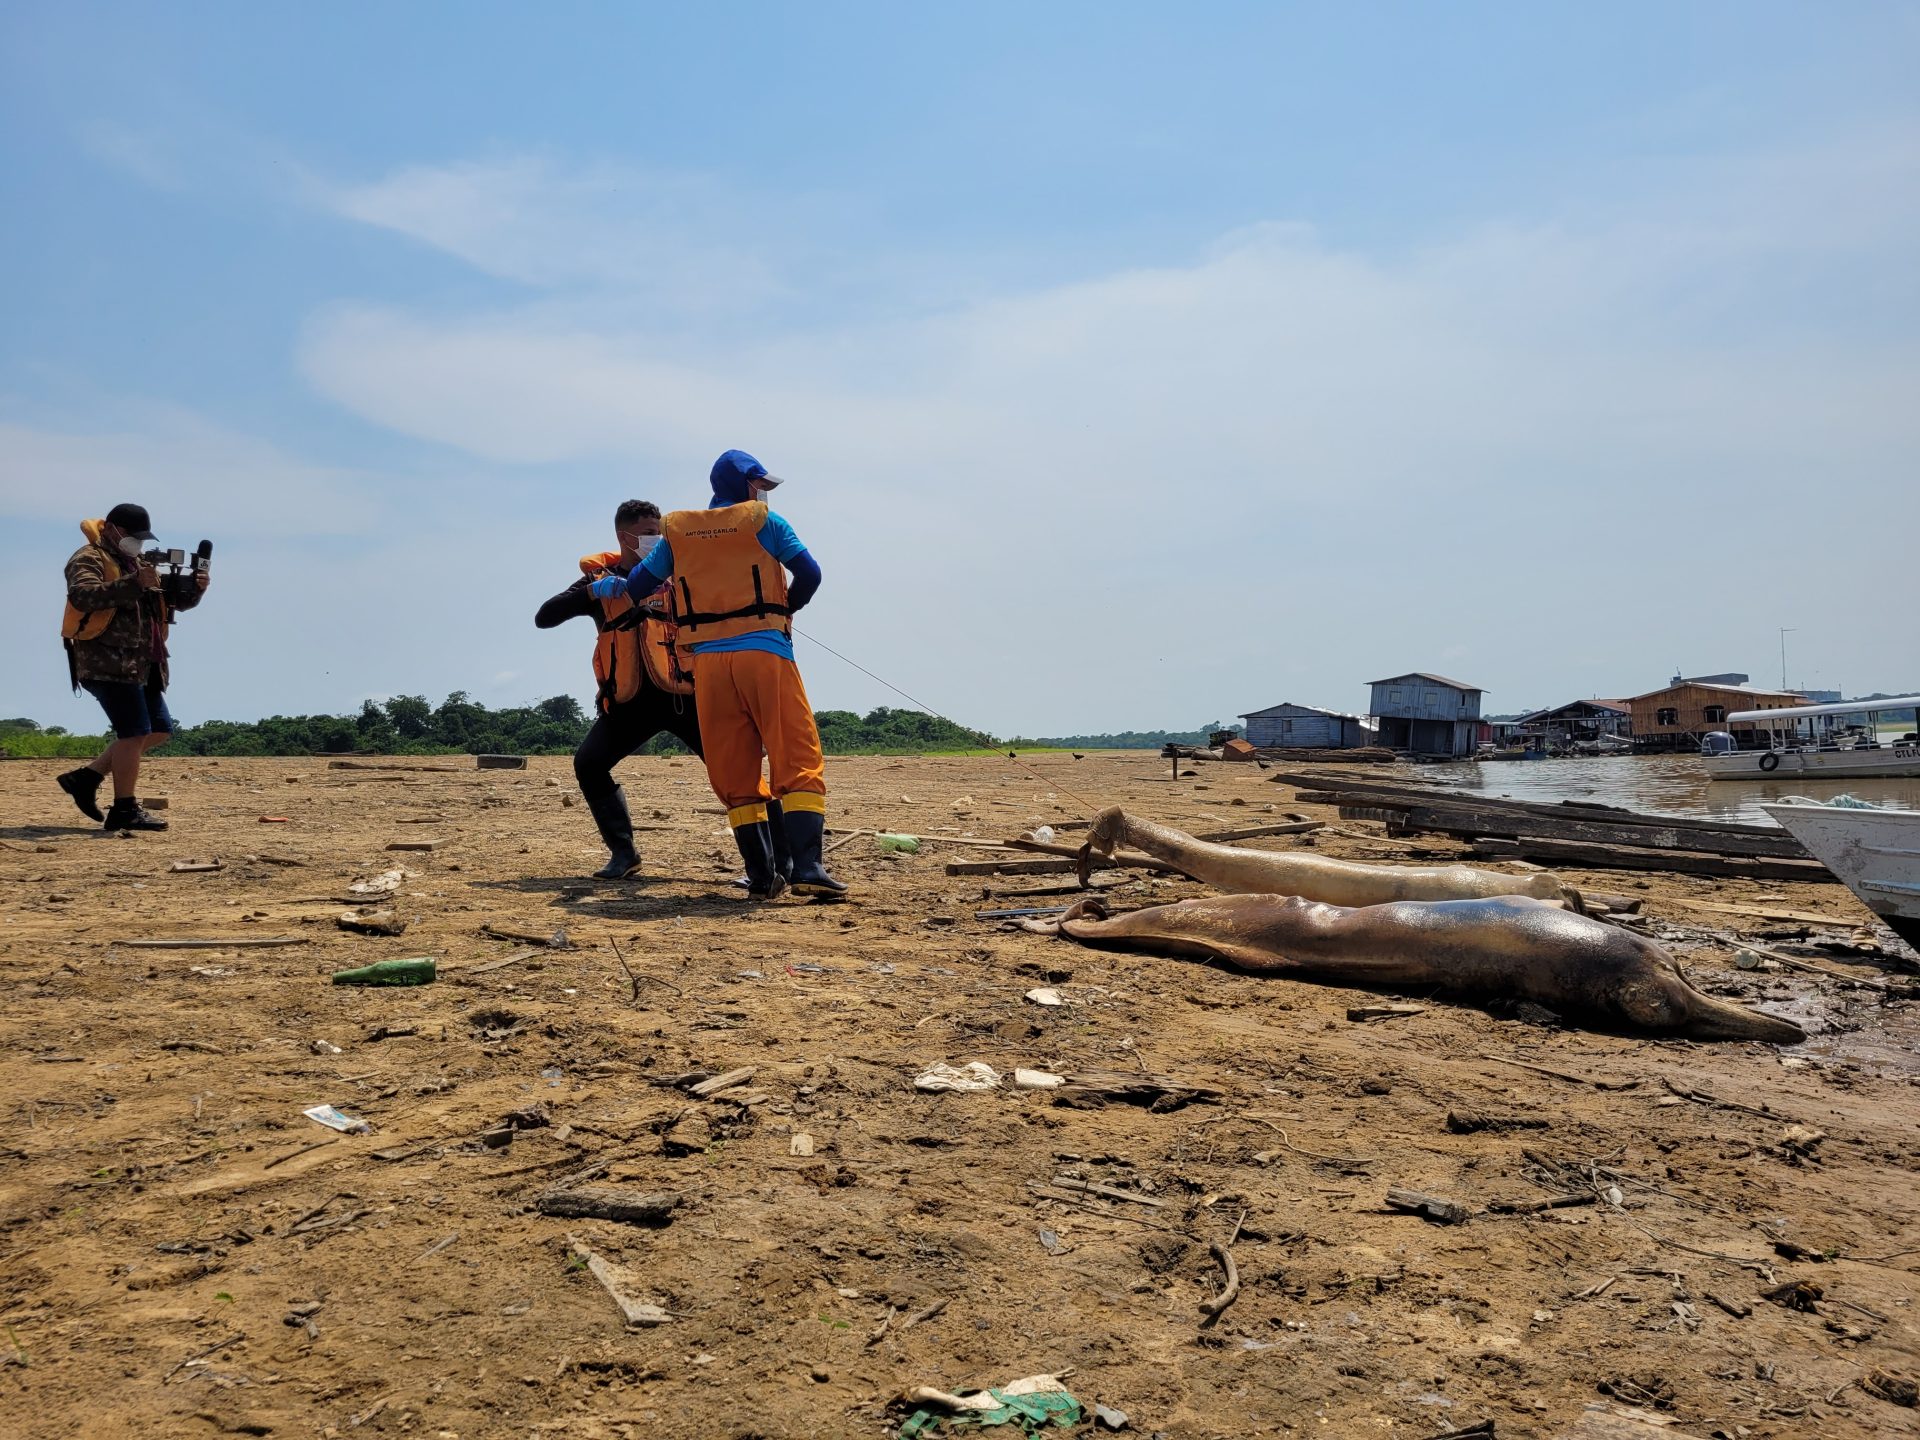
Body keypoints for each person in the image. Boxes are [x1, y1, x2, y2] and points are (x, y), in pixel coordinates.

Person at [591, 450, 843, 899]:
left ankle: (763, 877)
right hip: (765, 654)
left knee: (733, 768)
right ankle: (807, 866)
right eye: (759, 486)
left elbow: (638, 588)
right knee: (797, 757)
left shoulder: (677, 534)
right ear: (746, 486)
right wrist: (787, 607)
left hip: (707, 666)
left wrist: (616, 587)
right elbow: (810, 573)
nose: (762, 493)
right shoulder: (763, 522)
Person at [535, 499, 719, 879]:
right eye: (650, 533)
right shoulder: (598, 580)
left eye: (661, 532)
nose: (658, 539)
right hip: (629, 703)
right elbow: (544, 617)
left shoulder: (679, 575)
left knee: (733, 769)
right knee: (588, 764)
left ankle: (771, 860)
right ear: (625, 537)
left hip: (684, 697)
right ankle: (624, 854)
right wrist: (593, 592)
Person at [57, 503, 208, 832]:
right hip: (108, 661)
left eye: (141, 538)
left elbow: (167, 602)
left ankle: (87, 777)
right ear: (111, 528)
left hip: (145, 662)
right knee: (134, 733)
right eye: (131, 536)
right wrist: (134, 582)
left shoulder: (136, 563)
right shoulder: (89, 557)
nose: (137, 543)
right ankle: (124, 809)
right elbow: (82, 596)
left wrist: (194, 591)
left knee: (159, 729)